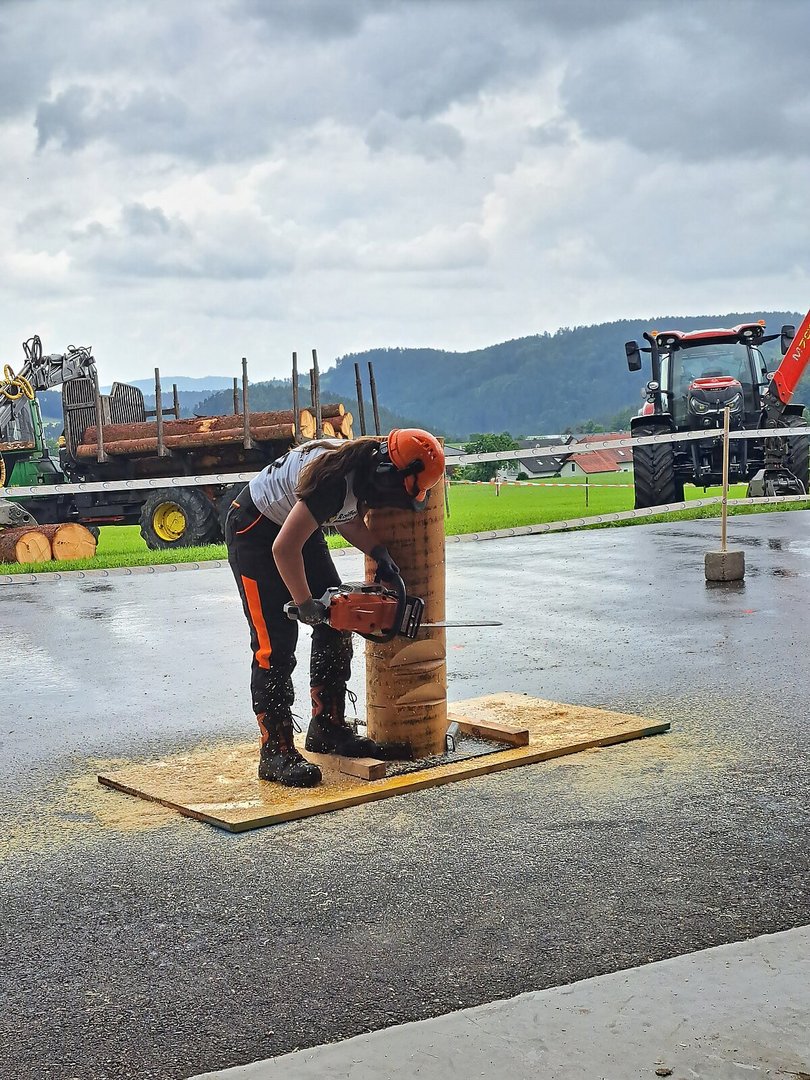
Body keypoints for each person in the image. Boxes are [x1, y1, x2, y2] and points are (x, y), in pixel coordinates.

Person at [225, 429, 445, 788]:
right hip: (253, 529)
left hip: (292, 528)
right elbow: (283, 549)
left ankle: (327, 727)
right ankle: (275, 751)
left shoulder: (361, 468)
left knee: (339, 618)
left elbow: (347, 517)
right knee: (274, 644)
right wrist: (305, 604)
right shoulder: (335, 478)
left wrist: (379, 553)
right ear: (388, 474)